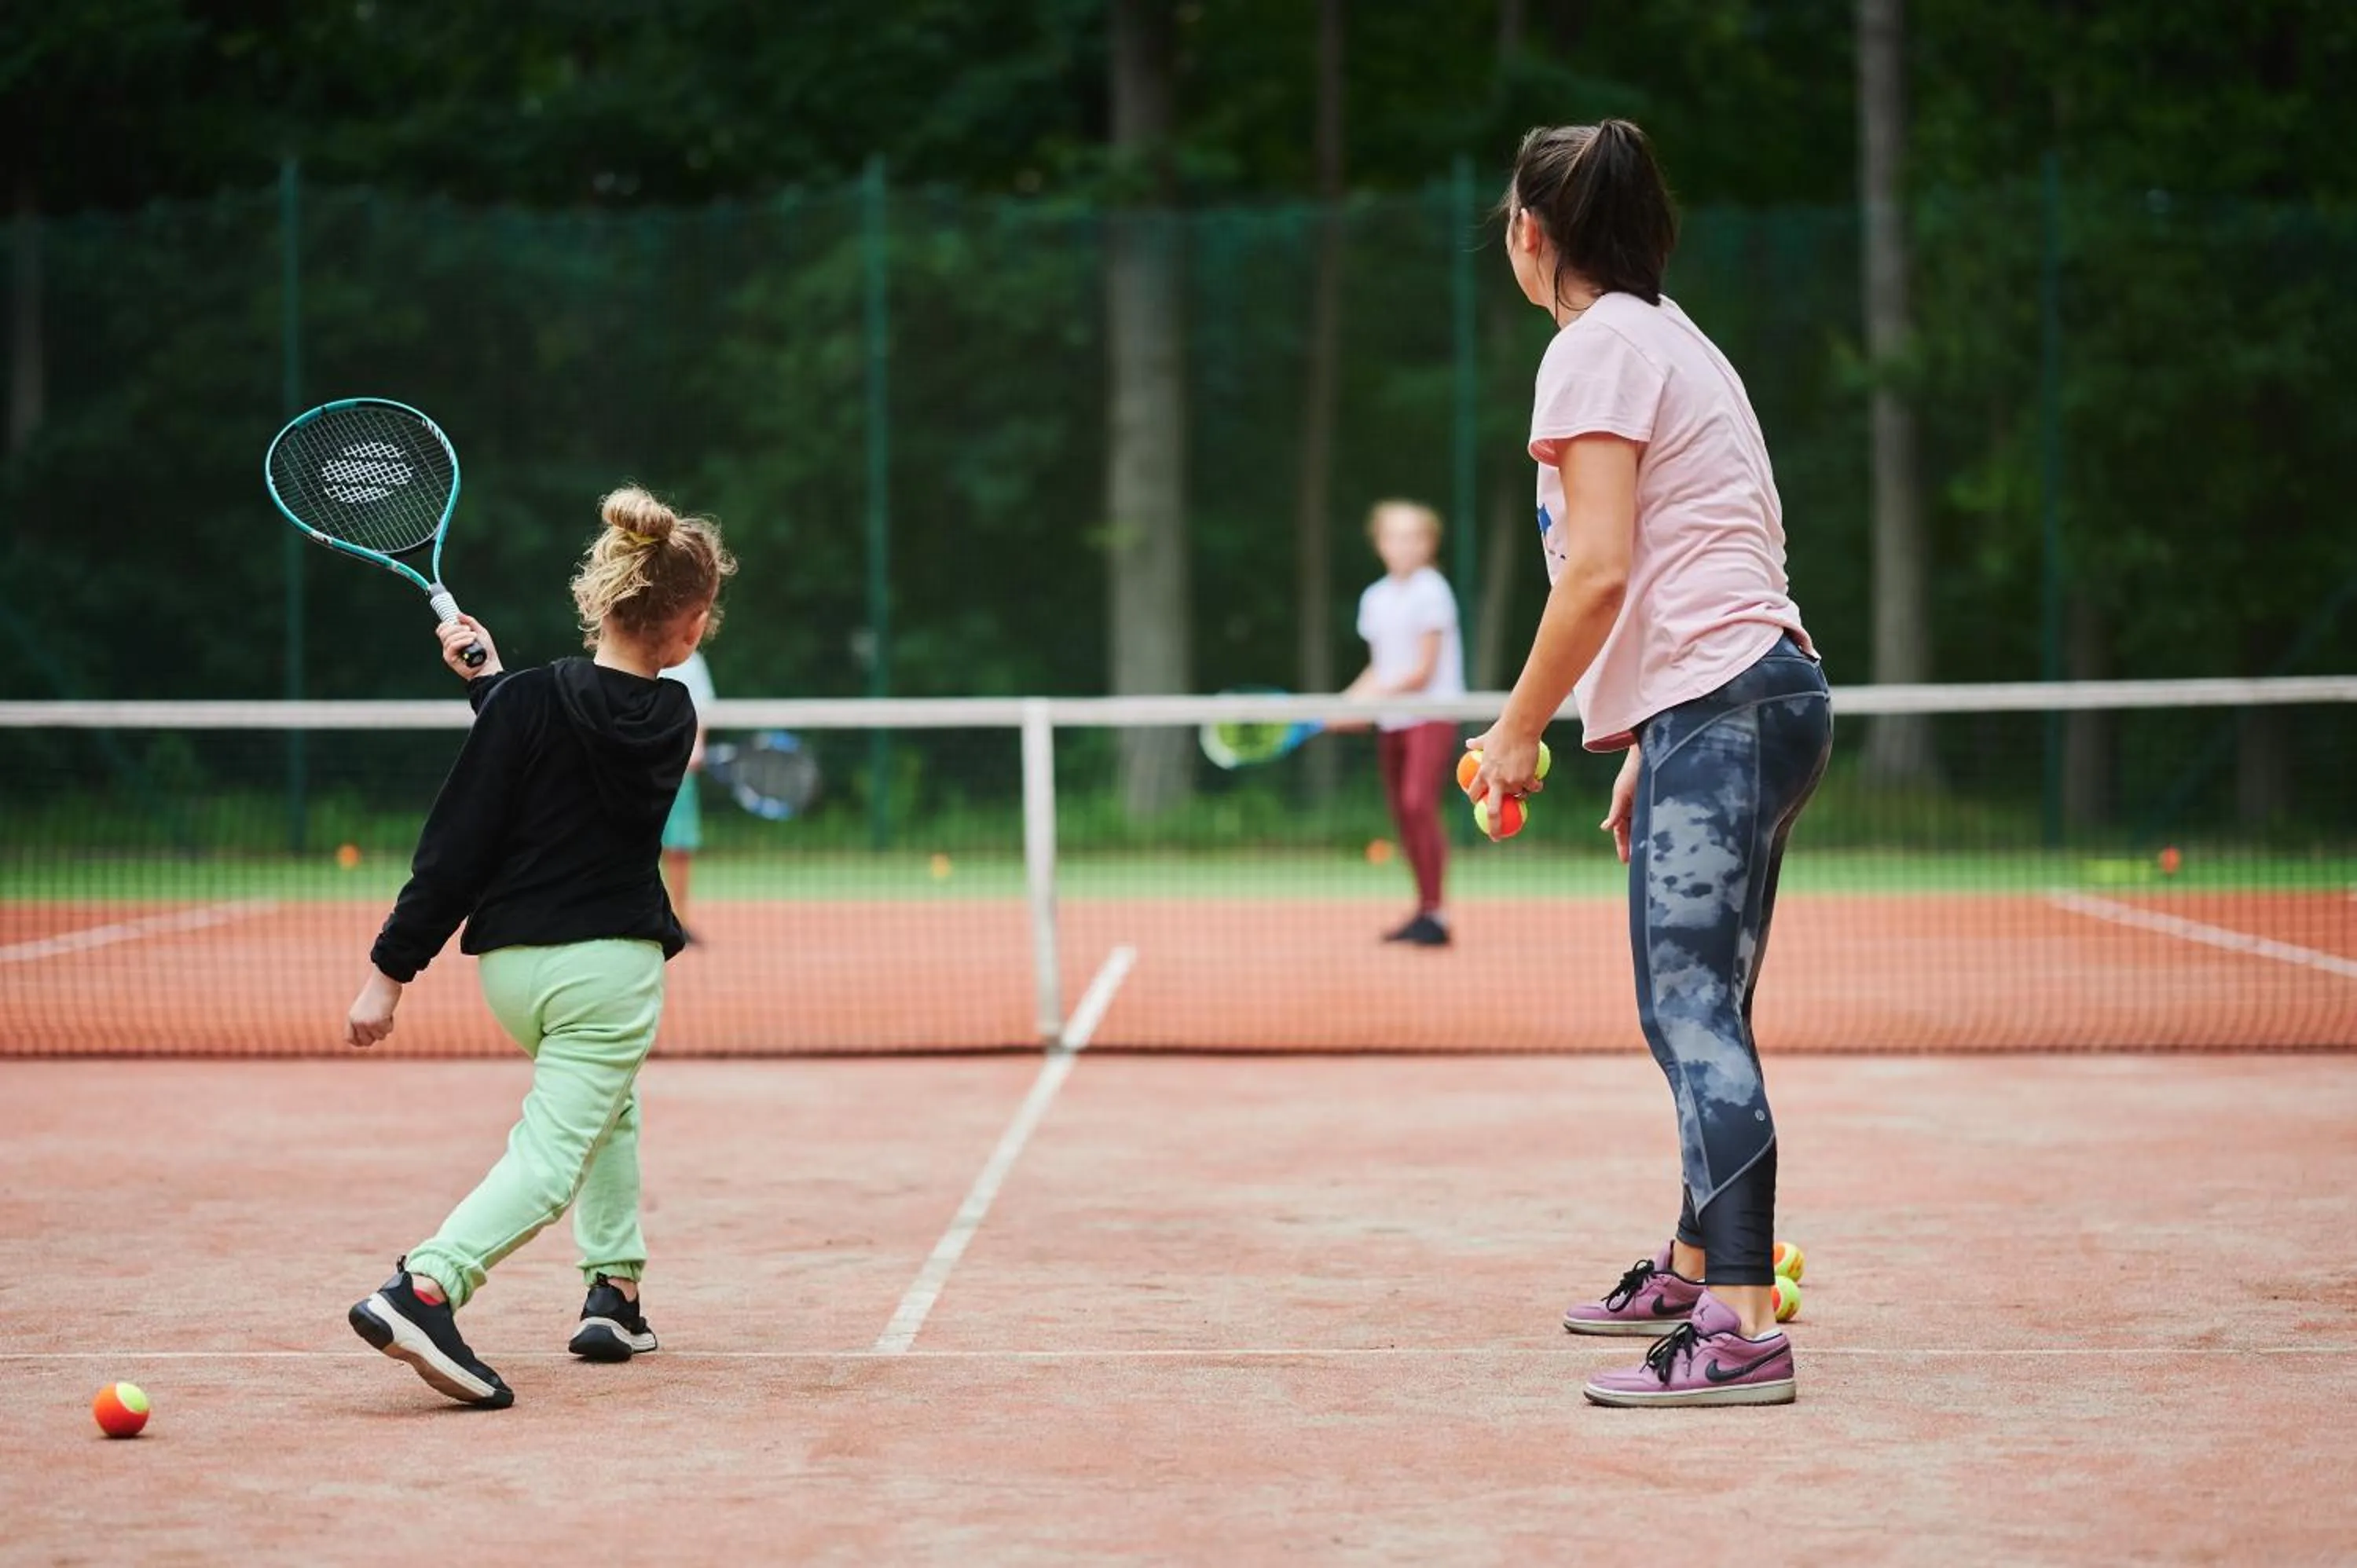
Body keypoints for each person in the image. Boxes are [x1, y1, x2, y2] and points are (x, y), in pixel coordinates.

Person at [1466, 120, 1832, 1409]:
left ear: (1532, 234)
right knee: (1705, 1008)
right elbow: (1717, 539)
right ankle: (1692, 1269)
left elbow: (1603, 570)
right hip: (1757, 695)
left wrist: (1519, 729)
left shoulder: (1593, 349)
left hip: (1723, 702)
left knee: (1688, 1016)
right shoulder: (1678, 340)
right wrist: (1646, 736)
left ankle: (1742, 1328)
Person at [343, 485, 737, 1409]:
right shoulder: (673, 719)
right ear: (688, 628)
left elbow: (458, 847)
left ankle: (615, 1293)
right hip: (609, 973)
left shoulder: (523, 703)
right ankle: (425, 1287)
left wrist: (387, 974)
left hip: (514, 971)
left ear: (600, 597)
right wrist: (496, 689)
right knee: (551, 1157)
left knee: (608, 1107)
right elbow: (583, 727)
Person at [1340, 499, 1466, 947]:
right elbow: (1381, 667)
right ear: (1379, 543)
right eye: (1394, 537)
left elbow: (1422, 672)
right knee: (1402, 813)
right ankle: (1424, 909)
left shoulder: (1432, 590)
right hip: (1393, 719)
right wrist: (1347, 704)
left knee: (1418, 803)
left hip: (1431, 714)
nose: (1404, 545)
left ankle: (1437, 914)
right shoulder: (1374, 598)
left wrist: (1365, 704)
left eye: (1414, 537)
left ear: (1429, 543)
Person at [658, 647, 715, 942]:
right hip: (639, 767)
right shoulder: (639, 652)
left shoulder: (693, 663)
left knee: (679, 847)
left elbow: (702, 709)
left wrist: (696, 747)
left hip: (680, 771)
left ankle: (679, 920)